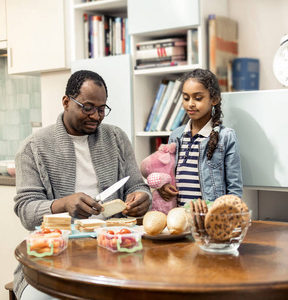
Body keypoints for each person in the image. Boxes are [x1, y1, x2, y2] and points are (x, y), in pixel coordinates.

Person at [13, 70, 151, 299]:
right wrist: (62, 205)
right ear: (66, 102)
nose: (96, 116)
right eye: (88, 107)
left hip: (115, 250)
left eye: (101, 109)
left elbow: (138, 186)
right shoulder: (34, 147)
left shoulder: (116, 138)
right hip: (55, 256)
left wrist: (142, 197)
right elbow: (26, 212)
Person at [159, 68, 243, 206]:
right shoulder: (176, 135)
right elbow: (168, 175)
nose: (190, 103)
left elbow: (234, 189)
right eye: (186, 98)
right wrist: (164, 187)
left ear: (214, 99)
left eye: (198, 98)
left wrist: (227, 216)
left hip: (210, 219)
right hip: (180, 219)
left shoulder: (226, 137)